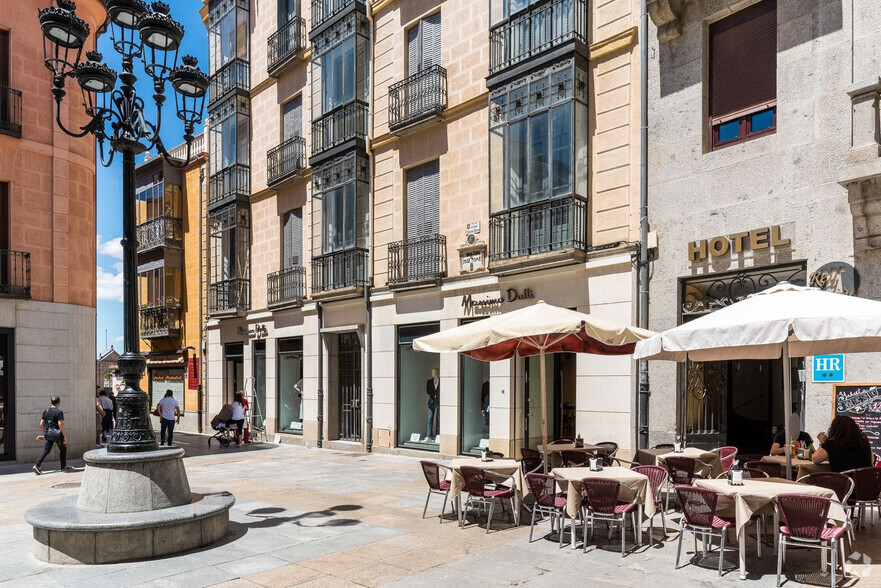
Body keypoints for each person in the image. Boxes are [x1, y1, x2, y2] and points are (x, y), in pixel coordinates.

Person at [34, 396, 72, 475]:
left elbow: (41, 423)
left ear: (50, 402)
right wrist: (65, 436)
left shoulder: (46, 411)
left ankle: (37, 465)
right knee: (63, 449)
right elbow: (60, 424)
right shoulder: (59, 412)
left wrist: (45, 432)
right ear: (59, 403)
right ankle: (63, 466)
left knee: (46, 450)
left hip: (48, 434)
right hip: (58, 434)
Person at [423, 368, 439, 442]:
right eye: (432, 372)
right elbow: (428, 391)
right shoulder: (429, 382)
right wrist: (434, 393)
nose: (433, 373)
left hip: (439, 401)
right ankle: (428, 435)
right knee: (430, 418)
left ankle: (438, 435)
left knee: (438, 419)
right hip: (432, 401)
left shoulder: (442, 381)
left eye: (434, 372)